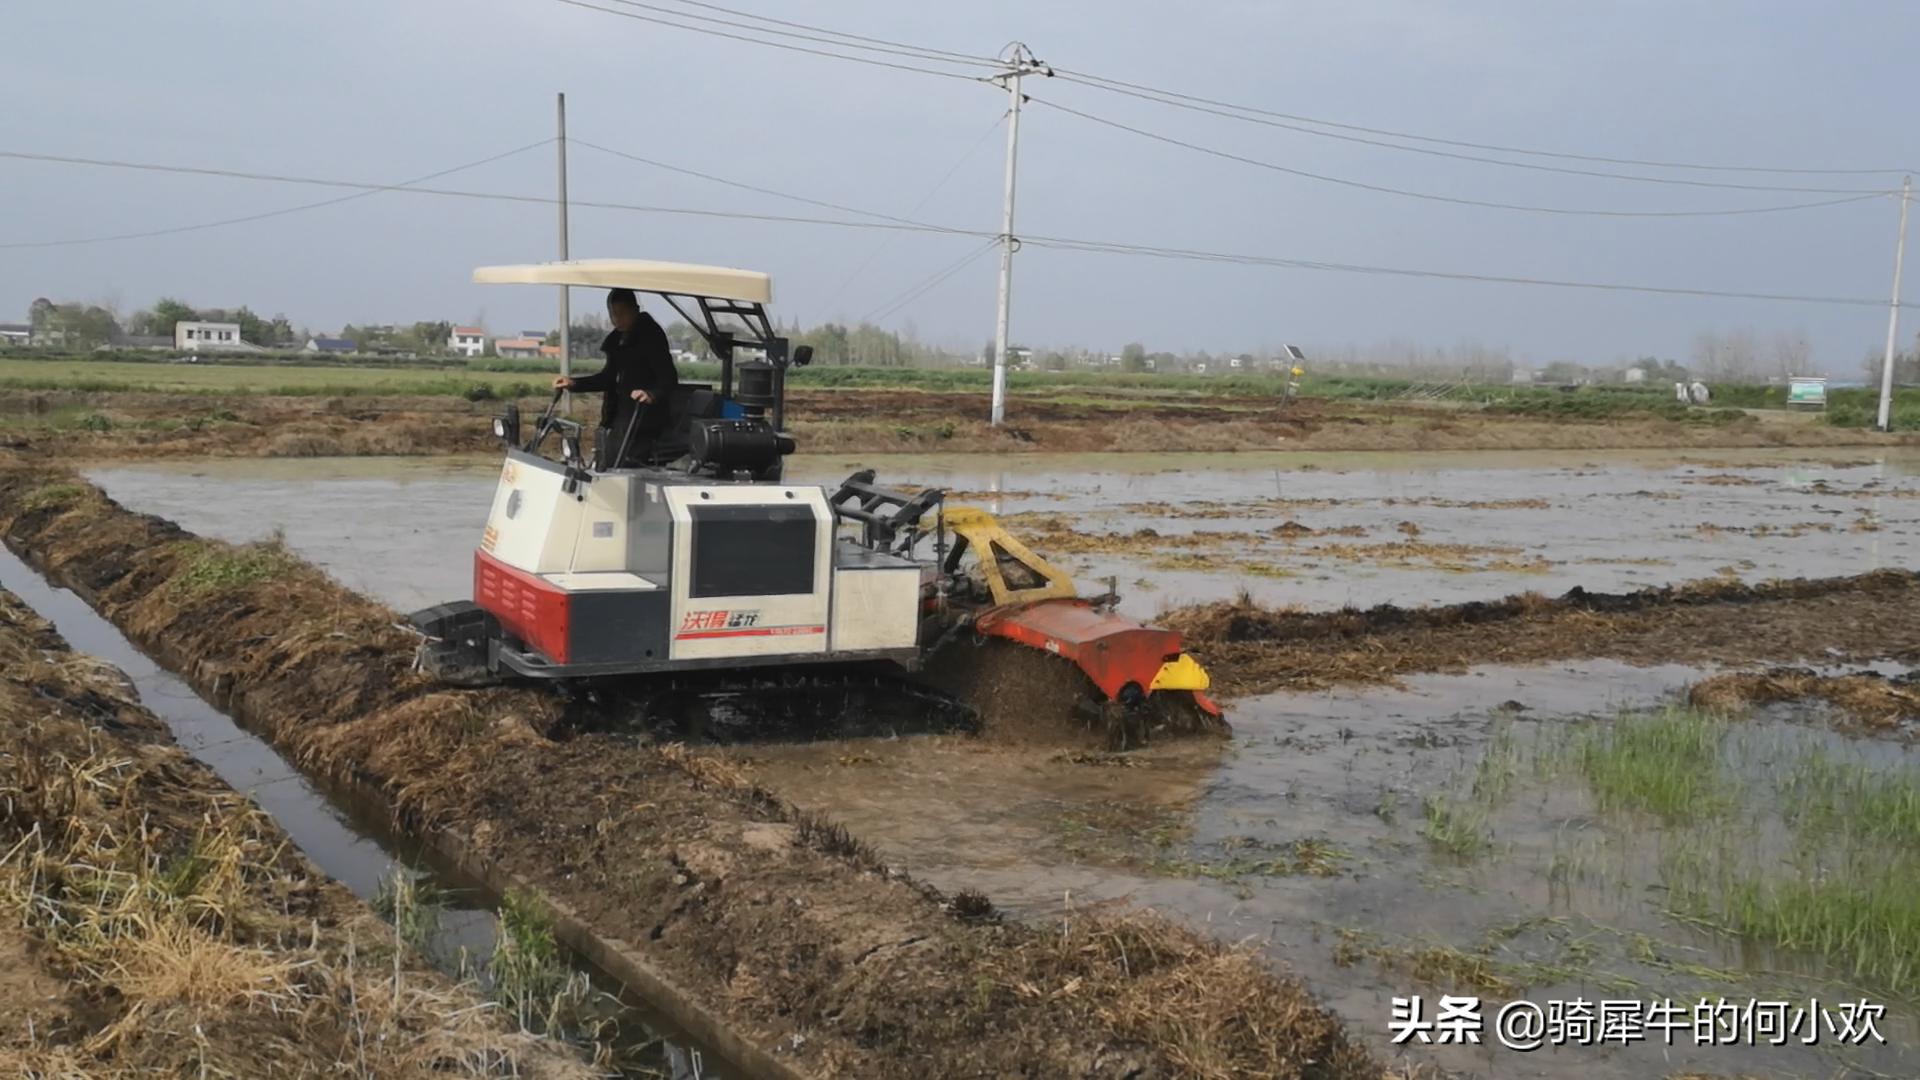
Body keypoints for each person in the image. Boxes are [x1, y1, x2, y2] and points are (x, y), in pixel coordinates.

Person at [552, 288, 679, 465]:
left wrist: (651, 394)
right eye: (613, 314)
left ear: (635, 309)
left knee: (623, 466)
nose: (617, 319)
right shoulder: (618, 340)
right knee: (605, 460)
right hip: (618, 418)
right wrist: (574, 383)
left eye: (622, 313)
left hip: (644, 421)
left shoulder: (651, 336)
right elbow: (608, 378)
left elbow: (669, 378)